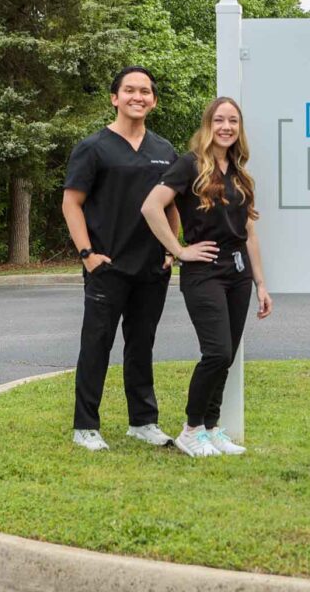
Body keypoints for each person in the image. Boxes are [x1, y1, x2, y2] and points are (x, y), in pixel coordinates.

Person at [141, 96, 273, 458]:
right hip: (204, 272)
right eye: (219, 120)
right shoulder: (189, 166)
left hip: (239, 273)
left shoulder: (240, 174)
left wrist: (261, 282)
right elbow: (151, 207)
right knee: (216, 352)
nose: (226, 127)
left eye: (233, 121)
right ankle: (191, 429)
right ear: (208, 125)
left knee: (227, 355)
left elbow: (250, 233)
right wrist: (180, 250)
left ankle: (211, 429)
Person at [62, 66, 179, 451]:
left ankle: (143, 422)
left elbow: (172, 206)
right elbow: (72, 203)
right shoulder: (93, 147)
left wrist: (171, 249)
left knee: (141, 344)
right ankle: (85, 427)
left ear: (154, 101)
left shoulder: (164, 152)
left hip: (151, 267)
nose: (138, 97)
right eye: (129, 90)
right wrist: (87, 254)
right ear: (115, 98)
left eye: (145, 91)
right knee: (96, 344)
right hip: (106, 266)